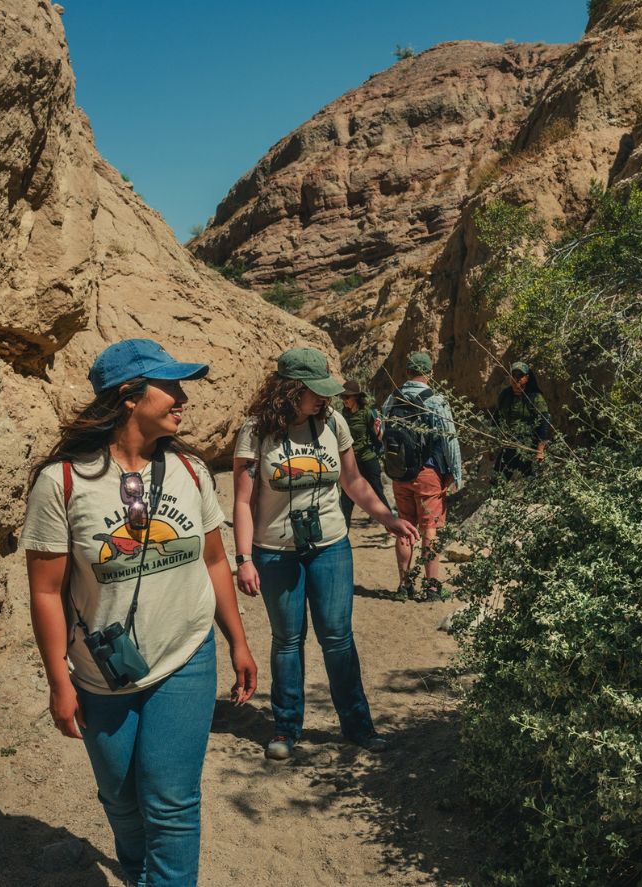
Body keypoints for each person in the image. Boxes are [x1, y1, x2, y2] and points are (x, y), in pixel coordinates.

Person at [22, 338, 257, 887]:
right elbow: (47, 592)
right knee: (121, 796)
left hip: (186, 654)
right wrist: (60, 681)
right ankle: (136, 871)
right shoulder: (63, 481)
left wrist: (237, 641)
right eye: (170, 386)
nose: (183, 398)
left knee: (170, 802)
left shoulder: (191, 471)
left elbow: (216, 561)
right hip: (102, 670)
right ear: (129, 396)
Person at [232, 347, 419, 761]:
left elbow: (352, 480)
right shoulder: (256, 431)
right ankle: (285, 727)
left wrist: (387, 518)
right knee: (287, 641)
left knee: (337, 639)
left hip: (330, 547)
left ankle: (358, 726)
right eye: (314, 391)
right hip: (276, 552)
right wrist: (243, 559)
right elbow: (243, 502)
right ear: (288, 390)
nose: (323, 398)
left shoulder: (333, 422)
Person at [382, 351, 463, 601]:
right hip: (428, 473)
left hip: (400, 474)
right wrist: (454, 473)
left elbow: (384, 435)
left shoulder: (390, 400)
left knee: (404, 528)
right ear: (430, 373)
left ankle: (404, 585)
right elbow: (449, 439)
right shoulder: (435, 400)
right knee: (429, 531)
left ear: (406, 373)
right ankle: (431, 587)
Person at [338, 379, 391, 528]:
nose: (344, 401)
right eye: (342, 397)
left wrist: (378, 432)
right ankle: (344, 534)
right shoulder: (344, 413)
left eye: (346, 397)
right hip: (351, 462)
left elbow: (379, 437)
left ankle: (392, 527)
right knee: (346, 499)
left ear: (356, 397)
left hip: (368, 460)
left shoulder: (367, 413)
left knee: (378, 494)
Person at [493, 360, 551, 478]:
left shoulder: (535, 398)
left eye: (520, 375)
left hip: (528, 447)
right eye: (513, 375)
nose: (516, 379)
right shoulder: (505, 395)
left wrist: (540, 451)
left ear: (527, 378)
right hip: (509, 444)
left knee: (531, 483)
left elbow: (544, 423)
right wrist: (491, 445)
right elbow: (496, 419)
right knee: (498, 479)